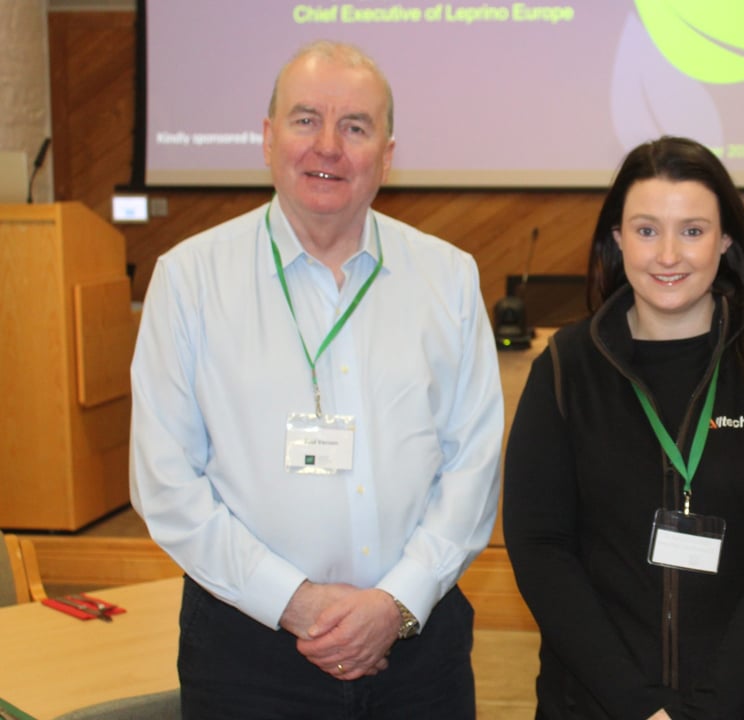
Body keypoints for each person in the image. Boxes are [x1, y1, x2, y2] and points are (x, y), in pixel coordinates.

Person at [129, 40, 503, 717]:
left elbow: (473, 464)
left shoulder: (448, 277)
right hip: (248, 652)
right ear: (268, 139)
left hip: (418, 646)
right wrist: (293, 603)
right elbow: (166, 482)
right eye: (305, 120)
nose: (327, 146)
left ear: (386, 154)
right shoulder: (189, 280)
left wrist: (396, 602)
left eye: (355, 127)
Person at [503, 136, 744, 719]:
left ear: (726, 239)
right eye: (645, 230)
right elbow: (540, 547)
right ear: (616, 238)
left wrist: (705, 710)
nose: (668, 255)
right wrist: (637, 707)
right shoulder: (567, 366)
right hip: (595, 704)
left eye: (692, 230)